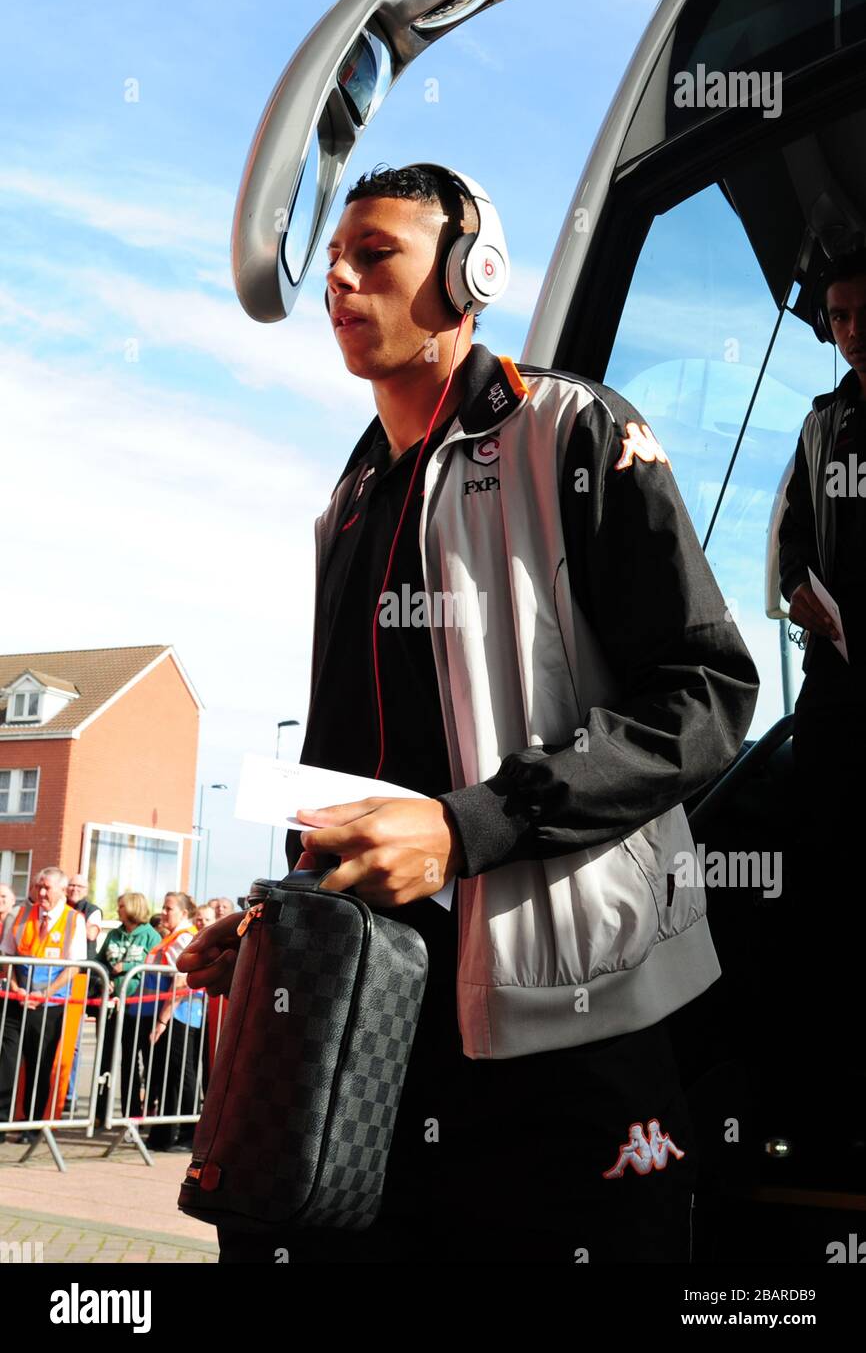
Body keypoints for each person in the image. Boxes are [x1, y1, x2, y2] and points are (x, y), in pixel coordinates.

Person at [182, 163, 759, 1263]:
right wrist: (283, 918)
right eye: (335, 260)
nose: (338, 281)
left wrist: (466, 827)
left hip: (570, 1023)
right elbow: (351, 770)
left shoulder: (577, 432)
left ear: (467, 273)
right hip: (370, 1028)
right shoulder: (346, 502)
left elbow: (705, 693)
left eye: (375, 255)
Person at [777, 245, 866, 1130]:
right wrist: (800, 590)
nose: (852, 333)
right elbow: (791, 541)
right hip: (837, 686)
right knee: (824, 866)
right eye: (838, 318)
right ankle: (826, 1079)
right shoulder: (818, 424)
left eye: (863, 313)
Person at [0, 867, 87, 1142]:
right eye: (39, 887)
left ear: (62, 890)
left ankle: (32, 1126)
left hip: (51, 1004)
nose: (42, 893)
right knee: (7, 1061)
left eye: (47, 888)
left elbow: (75, 967)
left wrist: (46, 993)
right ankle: (2, 1122)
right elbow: (7, 955)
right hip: (17, 1000)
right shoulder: (22, 914)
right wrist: (15, 987)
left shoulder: (75, 920)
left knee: (40, 1065)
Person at [92, 892, 161, 1129]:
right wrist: (103, 979)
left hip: (138, 1010)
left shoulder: (151, 936)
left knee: (133, 1062)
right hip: (112, 1008)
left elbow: (155, 967)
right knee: (107, 1060)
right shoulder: (113, 934)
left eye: (121, 906)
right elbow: (99, 960)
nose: (118, 909)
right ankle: (101, 1115)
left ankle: (135, 1117)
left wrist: (128, 966)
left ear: (133, 907)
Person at [139, 893, 202, 1152]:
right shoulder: (173, 936)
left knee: (180, 1072)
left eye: (169, 908)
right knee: (167, 1075)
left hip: (179, 1015)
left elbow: (181, 980)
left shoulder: (184, 938)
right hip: (172, 1012)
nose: (164, 913)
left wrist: (162, 1021)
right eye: (163, 908)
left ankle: (189, 1133)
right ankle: (163, 1134)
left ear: (184, 913)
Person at [65, 873, 102, 961]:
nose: (75, 889)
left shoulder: (93, 910)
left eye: (79, 886)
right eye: (72, 885)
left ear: (86, 891)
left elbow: (91, 935)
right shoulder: (59, 906)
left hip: (83, 963)